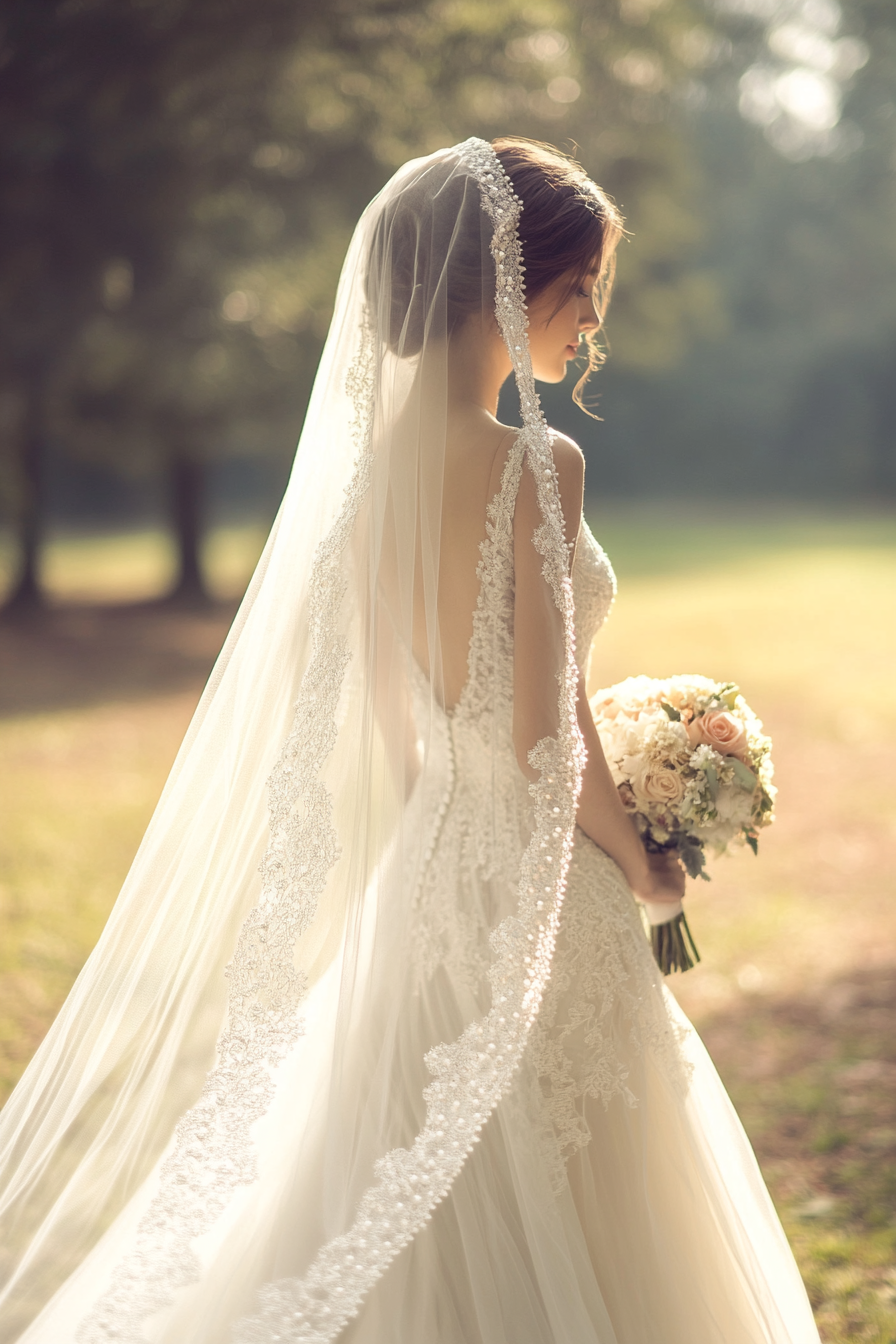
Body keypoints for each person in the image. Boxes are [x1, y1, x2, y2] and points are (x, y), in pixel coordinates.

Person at [0, 137, 820, 1344]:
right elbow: (547, 733)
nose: (588, 325)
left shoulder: (360, 485)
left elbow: (402, 731)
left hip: (427, 877)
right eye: (580, 291)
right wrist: (644, 864)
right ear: (509, 281)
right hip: (539, 882)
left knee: (390, 1175)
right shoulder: (540, 464)